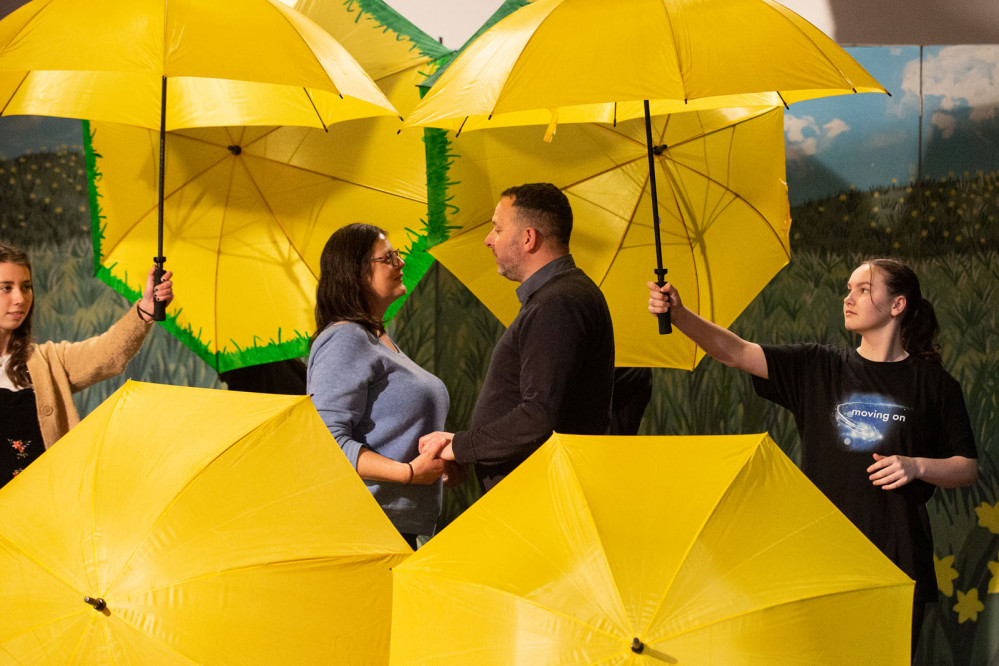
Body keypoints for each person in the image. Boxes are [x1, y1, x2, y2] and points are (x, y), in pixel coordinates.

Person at [648, 257, 977, 654]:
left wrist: (917, 465)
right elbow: (736, 352)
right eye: (847, 288)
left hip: (897, 560)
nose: (848, 298)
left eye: (863, 289)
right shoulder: (818, 366)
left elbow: (966, 468)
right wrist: (680, 315)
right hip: (822, 559)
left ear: (898, 305)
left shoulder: (937, 385)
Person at [420, 183, 615, 492]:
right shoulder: (558, 297)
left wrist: (460, 446)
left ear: (528, 238)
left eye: (497, 229)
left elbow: (538, 416)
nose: (488, 240)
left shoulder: (558, 303)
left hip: (541, 495)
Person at [307, 223, 451, 548]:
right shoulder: (345, 339)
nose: (400, 263)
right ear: (356, 273)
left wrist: (438, 464)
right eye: (388, 258)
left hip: (389, 532)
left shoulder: (376, 339)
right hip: (361, 532)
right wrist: (409, 473)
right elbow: (327, 442)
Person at [0, 242, 174, 488]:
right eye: (6, 288)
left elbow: (106, 354)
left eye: (26, 287)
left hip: (41, 510)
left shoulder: (47, 361)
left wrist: (145, 310)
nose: (20, 298)